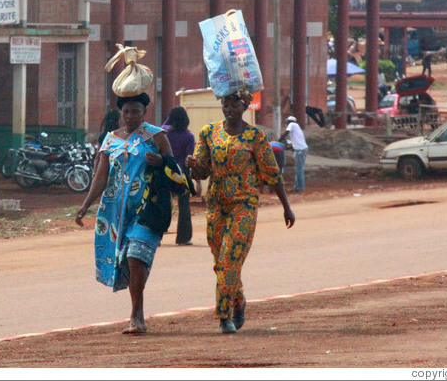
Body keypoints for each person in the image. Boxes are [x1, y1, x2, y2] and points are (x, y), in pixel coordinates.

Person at [185, 88, 295, 334]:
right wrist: (194, 166)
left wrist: (286, 207)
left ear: (244, 107)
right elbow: (202, 171)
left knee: (230, 258)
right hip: (216, 205)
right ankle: (238, 300)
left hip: (243, 205)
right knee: (220, 261)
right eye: (225, 104)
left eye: (234, 105)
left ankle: (224, 315)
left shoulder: (255, 137)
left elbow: (272, 173)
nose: (228, 109)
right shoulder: (208, 133)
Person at [75, 92, 180, 335]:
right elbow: (101, 177)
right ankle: (136, 312)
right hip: (116, 213)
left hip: (148, 210)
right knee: (127, 261)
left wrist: (161, 161)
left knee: (135, 256)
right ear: (120, 114)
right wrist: (85, 205)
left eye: (136, 111)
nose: (131, 116)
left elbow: (174, 169)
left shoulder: (156, 136)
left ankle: (137, 315)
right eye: (127, 112)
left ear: (144, 113)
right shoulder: (110, 140)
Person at [162, 106, 198, 246]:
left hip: (164, 171)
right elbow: (189, 158)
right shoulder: (189, 136)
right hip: (181, 173)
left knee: (161, 204)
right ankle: (184, 237)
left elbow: (165, 123)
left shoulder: (165, 132)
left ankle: (156, 236)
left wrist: (169, 117)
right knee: (184, 206)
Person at [280, 115, 309, 193]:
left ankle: (300, 188)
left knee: (299, 170)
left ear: (289, 121)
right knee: (298, 170)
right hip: (300, 149)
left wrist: (279, 140)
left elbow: (285, 134)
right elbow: (293, 145)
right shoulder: (296, 128)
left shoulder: (292, 125)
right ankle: (297, 188)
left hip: (300, 150)